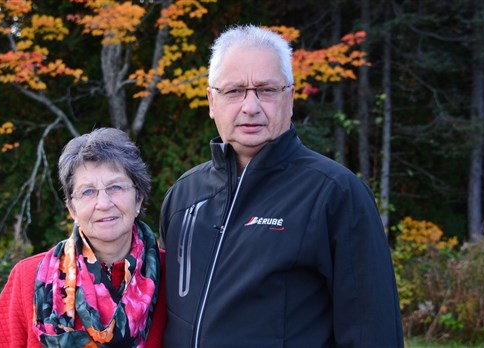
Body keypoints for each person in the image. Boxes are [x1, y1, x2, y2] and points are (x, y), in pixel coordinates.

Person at [159, 24, 404, 347]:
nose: (250, 106)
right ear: (211, 101)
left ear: (289, 97)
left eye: (266, 90)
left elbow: (373, 332)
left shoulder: (335, 193)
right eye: (234, 91)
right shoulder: (185, 195)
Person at [0, 128, 166, 347]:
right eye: (87, 192)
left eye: (115, 187)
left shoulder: (175, 277)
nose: (103, 204)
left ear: (138, 199)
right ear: (72, 210)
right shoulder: (27, 278)